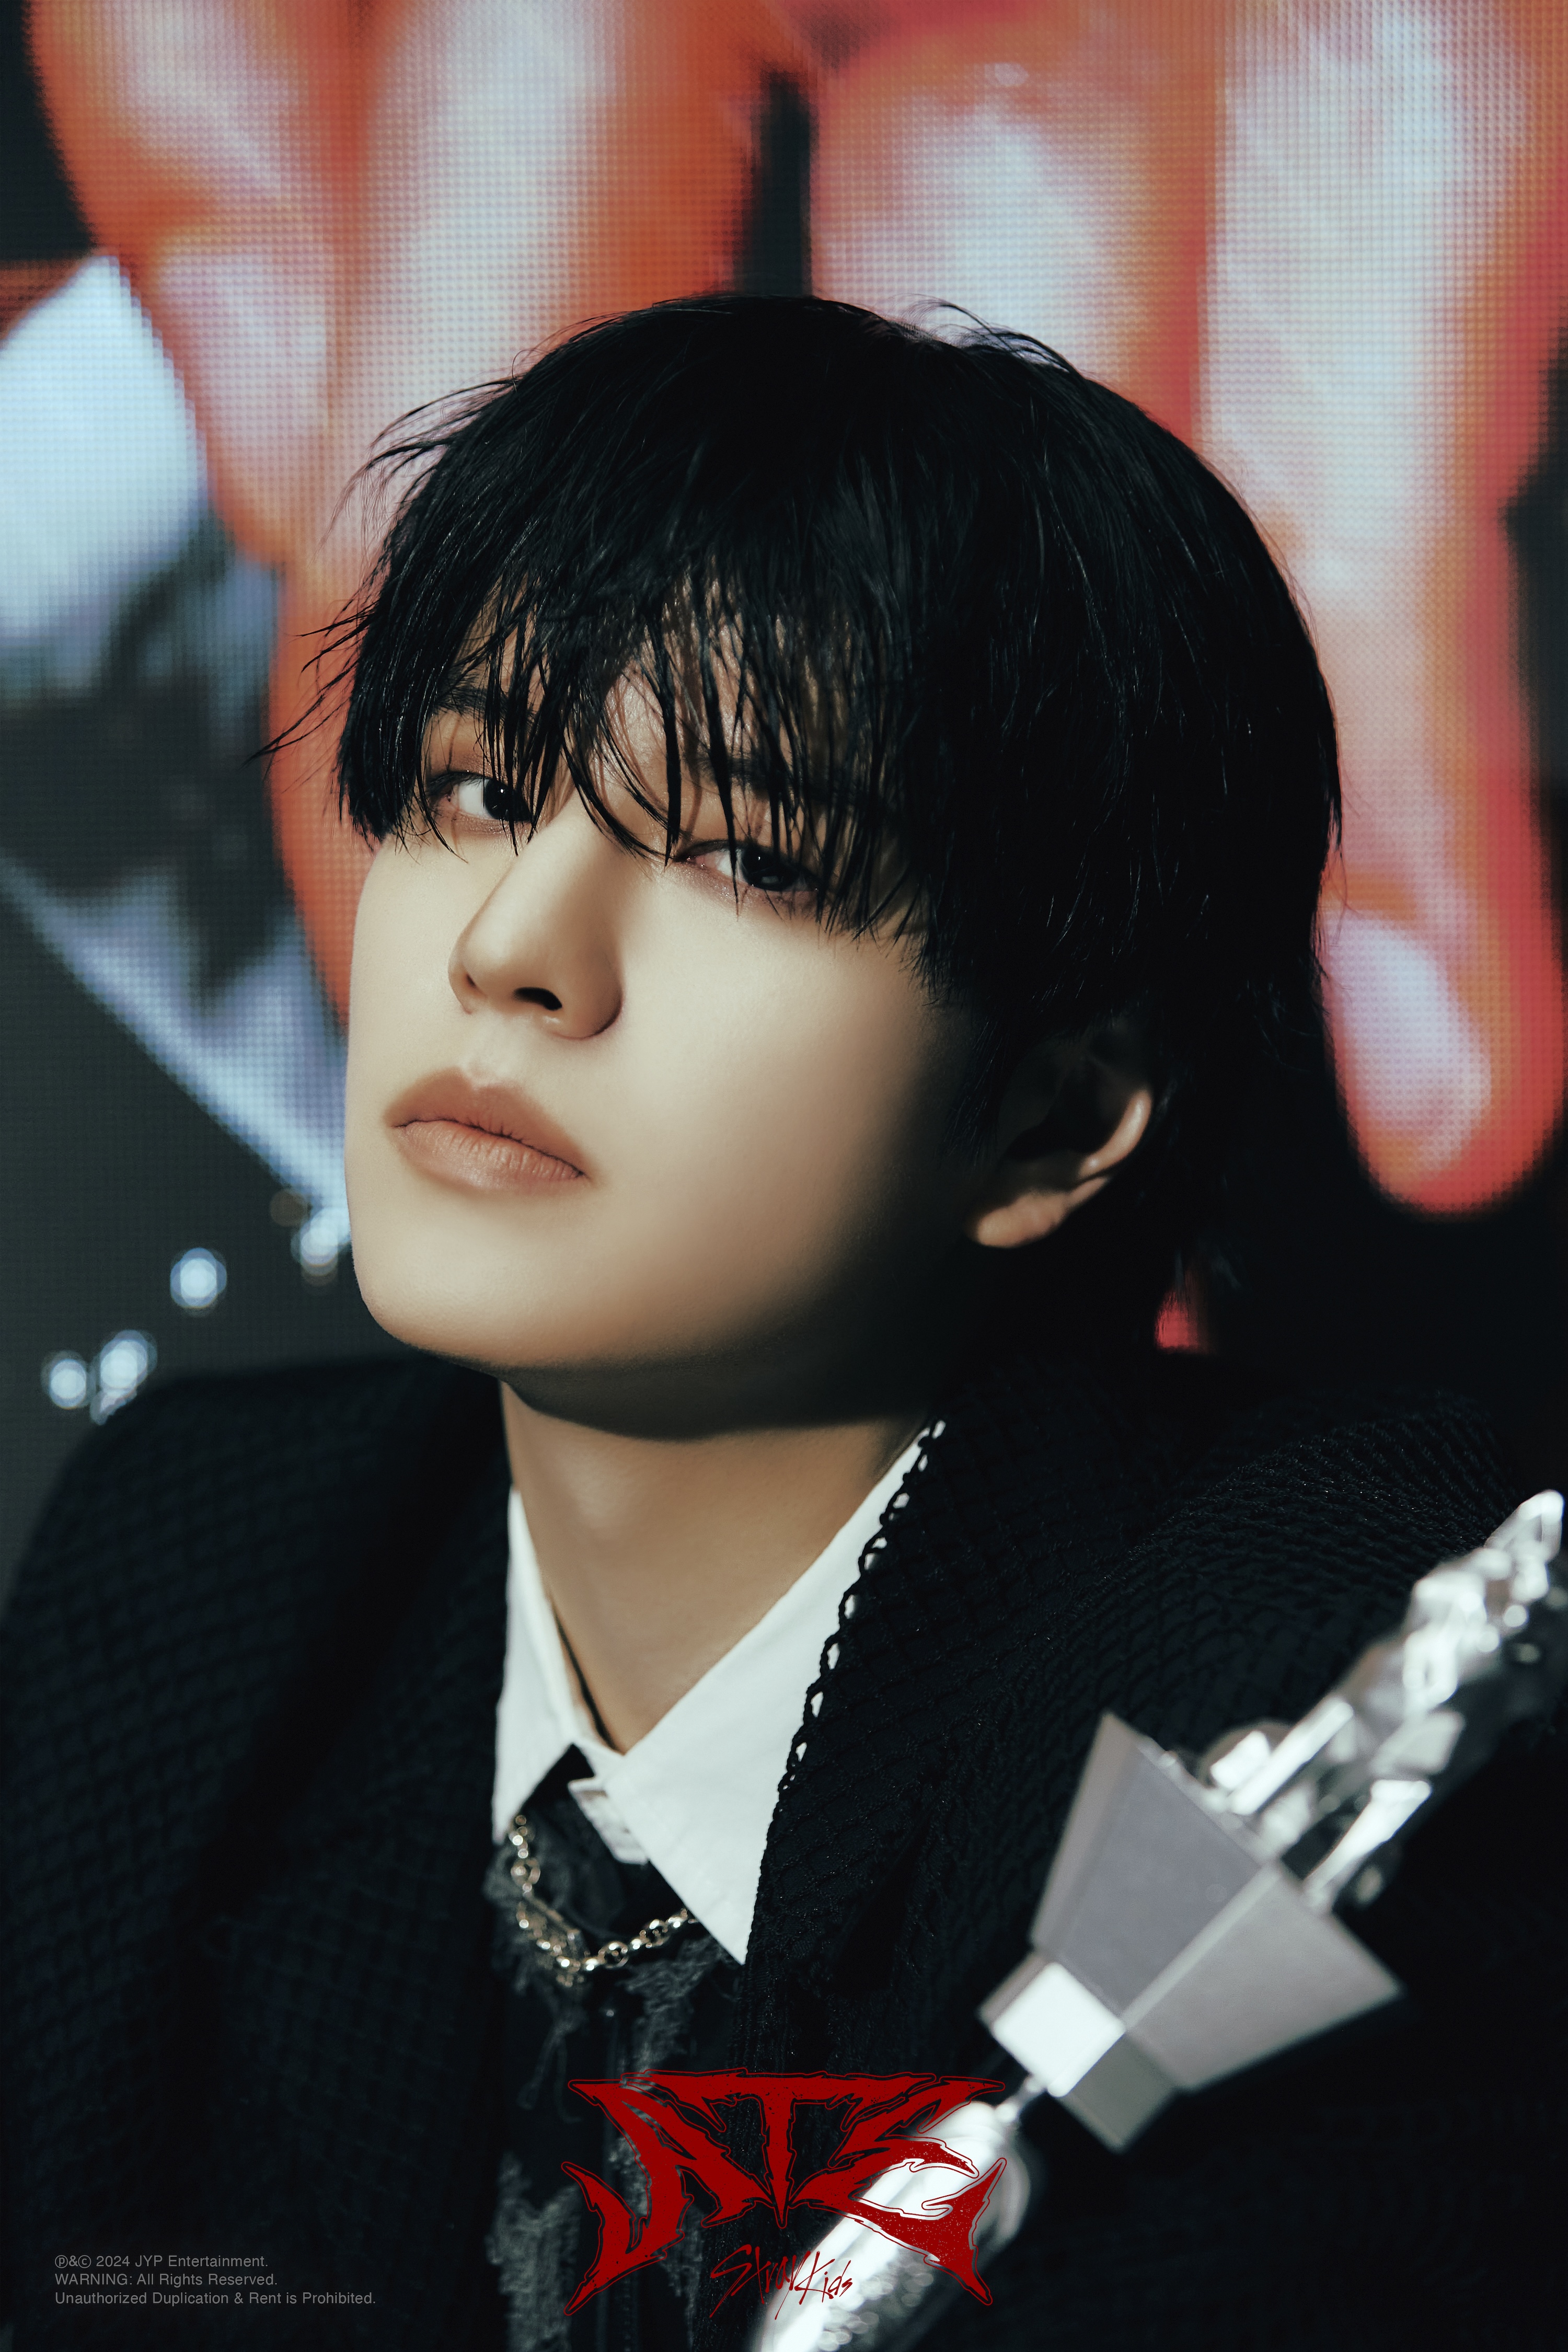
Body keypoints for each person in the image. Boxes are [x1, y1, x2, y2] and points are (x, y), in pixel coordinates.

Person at [2, 297, 1560, 2351]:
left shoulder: (1313, 1707)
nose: (515, 948)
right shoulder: (195, 1564)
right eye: (474, 787)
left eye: (744, 850)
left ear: (1054, 1115)